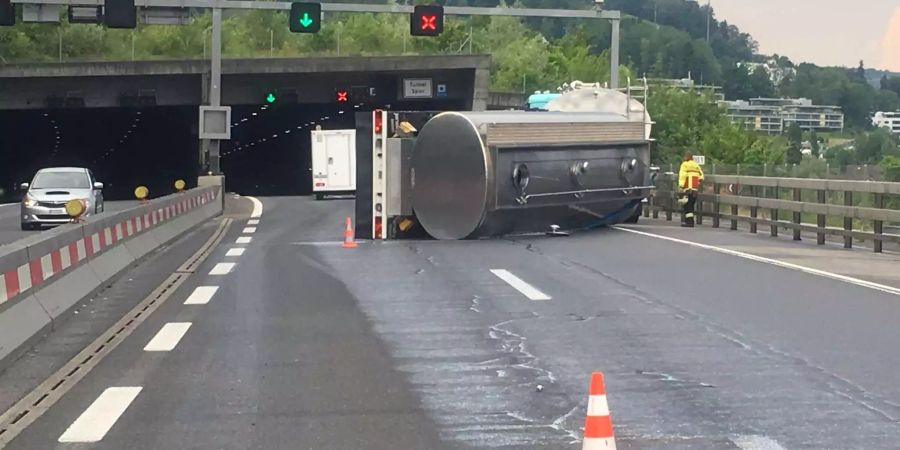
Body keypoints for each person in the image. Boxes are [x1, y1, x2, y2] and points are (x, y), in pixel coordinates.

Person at [677, 152, 704, 227]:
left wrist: (681, 186)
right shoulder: (696, 165)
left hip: (687, 188)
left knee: (687, 206)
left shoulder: (685, 165)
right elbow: (701, 176)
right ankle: (690, 221)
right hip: (694, 189)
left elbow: (682, 176)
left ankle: (689, 222)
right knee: (691, 205)